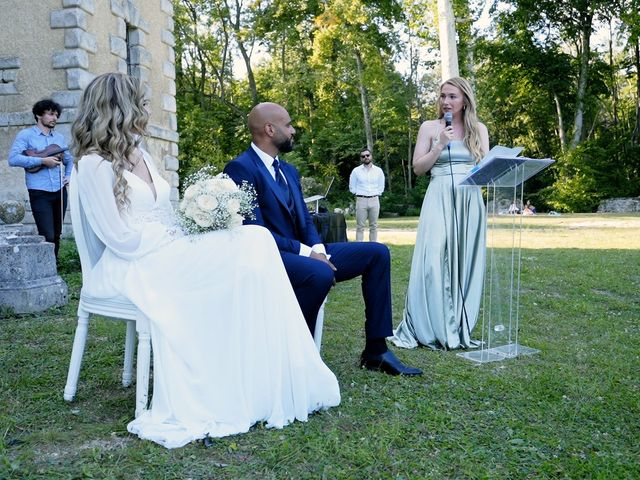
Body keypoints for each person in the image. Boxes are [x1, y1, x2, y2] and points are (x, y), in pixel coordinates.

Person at [70, 73, 340, 449]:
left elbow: (165, 212)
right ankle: (237, 371)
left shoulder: (142, 153)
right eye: (142, 103)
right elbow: (117, 236)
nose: (147, 110)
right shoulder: (92, 164)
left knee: (255, 238)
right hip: (135, 261)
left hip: (167, 248)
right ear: (120, 108)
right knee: (252, 242)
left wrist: (190, 228)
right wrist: (172, 240)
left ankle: (258, 368)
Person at [224, 102, 422, 376]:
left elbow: (304, 219)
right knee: (318, 272)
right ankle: (294, 354)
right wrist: (308, 254)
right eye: (289, 125)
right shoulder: (240, 169)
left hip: (306, 252)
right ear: (270, 129)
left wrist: (318, 248)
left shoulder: (288, 170)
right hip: (271, 256)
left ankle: (376, 351)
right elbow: (255, 231)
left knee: (377, 253)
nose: (293, 130)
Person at [390, 77, 489, 350]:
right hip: (439, 196)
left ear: (465, 100)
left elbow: (485, 167)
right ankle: (430, 324)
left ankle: (458, 322)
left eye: (452, 97)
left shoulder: (478, 129)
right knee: (433, 259)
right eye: (443, 96)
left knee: (464, 261)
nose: (446, 101)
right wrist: (438, 145)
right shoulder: (430, 127)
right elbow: (418, 168)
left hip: (469, 201)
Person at [8, 99, 73, 259]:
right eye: (51, 114)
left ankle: (54, 266)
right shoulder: (26, 135)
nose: (55, 118)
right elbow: (13, 159)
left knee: (57, 233)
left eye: (56, 115)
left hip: (59, 190)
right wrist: (42, 161)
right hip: (39, 191)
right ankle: (45, 265)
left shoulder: (59, 138)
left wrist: (69, 175)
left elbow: (69, 159)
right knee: (47, 234)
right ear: (38, 115)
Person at [349, 148, 385, 242]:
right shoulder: (356, 171)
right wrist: (359, 193)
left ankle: (373, 247)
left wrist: (376, 193)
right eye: (363, 156)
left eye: (367, 155)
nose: (366, 157)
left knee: (374, 226)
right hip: (361, 200)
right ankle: (359, 248)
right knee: (360, 226)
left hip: (374, 199)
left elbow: (381, 185)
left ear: (371, 156)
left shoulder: (378, 171)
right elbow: (352, 186)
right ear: (361, 158)